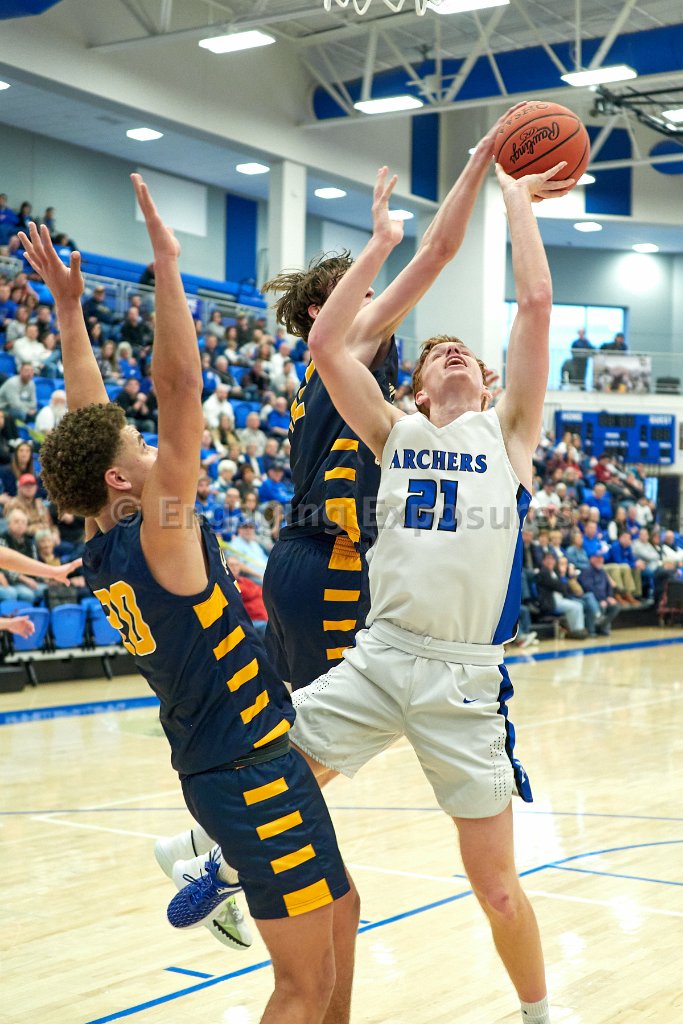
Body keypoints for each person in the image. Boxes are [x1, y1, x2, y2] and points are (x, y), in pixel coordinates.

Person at [21, 181, 359, 1024]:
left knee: (340, 919)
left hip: (243, 759)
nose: (151, 444)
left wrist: (71, 312)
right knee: (302, 985)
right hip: (247, 773)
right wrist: (167, 266)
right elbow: (177, 391)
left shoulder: (106, 542)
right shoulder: (159, 536)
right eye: (139, 445)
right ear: (120, 478)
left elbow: (90, 416)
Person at [281, 159, 572, 1024]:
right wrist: (383, 242)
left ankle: (539, 1013)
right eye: (439, 350)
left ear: (488, 384)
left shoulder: (509, 434)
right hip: (379, 657)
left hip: (462, 681)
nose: (454, 352)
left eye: (468, 356)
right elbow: (327, 349)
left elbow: (535, 304)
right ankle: (214, 862)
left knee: (498, 889)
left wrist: (516, 204)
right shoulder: (393, 432)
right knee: (264, 769)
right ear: (412, 388)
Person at [261, 104, 529, 692]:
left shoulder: (342, 375)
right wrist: (478, 161)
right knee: (325, 728)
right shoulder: (345, 340)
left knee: (303, 721)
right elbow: (437, 251)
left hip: (304, 556)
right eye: (360, 290)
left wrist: (463, 401)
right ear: (321, 311)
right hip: (327, 557)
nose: (377, 298)